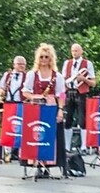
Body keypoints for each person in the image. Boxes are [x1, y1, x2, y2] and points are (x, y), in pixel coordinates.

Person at [23, 43, 67, 177]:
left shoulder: (57, 76)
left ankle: (48, 163)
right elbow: (25, 91)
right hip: (35, 107)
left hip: (51, 107)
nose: (43, 59)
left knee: (49, 134)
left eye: (46, 57)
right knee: (35, 133)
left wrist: (60, 109)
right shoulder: (32, 74)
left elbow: (62, 94)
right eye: (41, 57)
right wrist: (35, 97)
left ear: (50, 58)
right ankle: (36, 163)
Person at [62, 44, 96, 155]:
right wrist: (62, 98)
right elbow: (63, 82)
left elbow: (93, 83)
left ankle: (84, 146)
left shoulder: (87, 63)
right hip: (69, 92)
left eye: (76, 51)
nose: (74, 53)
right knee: (68, 120)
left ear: (81, 52)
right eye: (73, 51)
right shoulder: (67, 63)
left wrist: (83, 79)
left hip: (81, 93)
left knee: (82, 119)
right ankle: (67, 146)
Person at [0, 56, 27, 161]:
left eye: (23, 64)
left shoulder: (27, 76)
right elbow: (0, 86)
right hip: (8, 103)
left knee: (20, 127)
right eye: (19, 64)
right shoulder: (8, 75)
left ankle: (19, 152)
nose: (22, 66)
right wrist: (1, 91)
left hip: (21, 103)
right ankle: (7, 153)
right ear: (14, 65)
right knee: (8, 127)